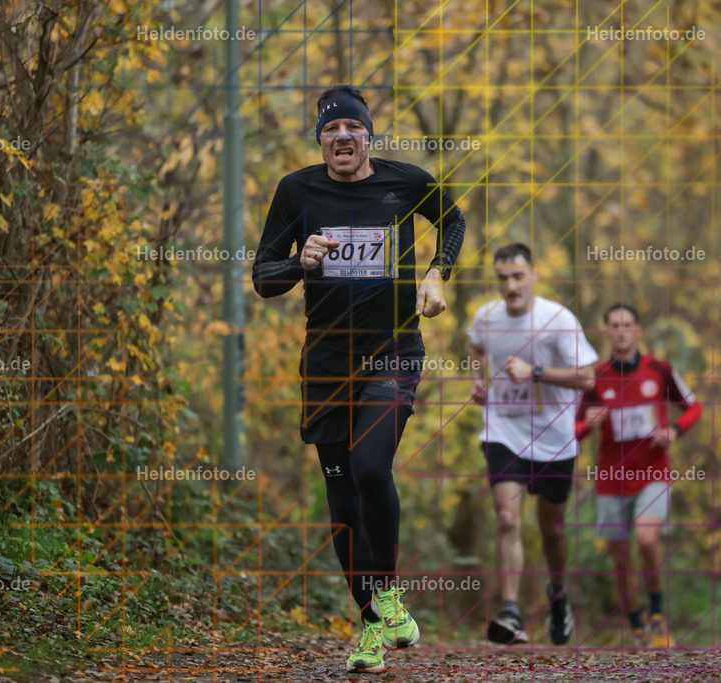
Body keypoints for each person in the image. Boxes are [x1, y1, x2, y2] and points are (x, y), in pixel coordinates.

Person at [252, 85, 465, 673]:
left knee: (371, 467)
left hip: (392, 353)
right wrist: (301, 261)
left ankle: (389, 593)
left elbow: (453, 220)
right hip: (325, 365)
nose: (342, 137)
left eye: (353, 127)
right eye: (330, 129)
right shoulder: (297, 191)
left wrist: (436, 275)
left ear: (369, 135)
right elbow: (263, 277)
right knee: (342, 497)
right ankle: (371, 624)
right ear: (320, 141)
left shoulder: (406, 182)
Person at [466, 243, 598, 646]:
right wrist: (477, 379)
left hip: (555, 438)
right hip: (503, 430)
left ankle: (558, 594)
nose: (510, 285)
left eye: (518, 276)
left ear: (533, 275)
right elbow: (475, 344)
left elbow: (587, 377)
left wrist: (534, 372)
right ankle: (510, 612)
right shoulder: (486, 316)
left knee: (552, 529)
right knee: (507, 519)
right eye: (503, 278)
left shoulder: (557, 319)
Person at [575, 303, 701, 649]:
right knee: (621, 559)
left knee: (646, 539)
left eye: (627, 325)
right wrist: (590, 423)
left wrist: (673, 431)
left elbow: (693, 407)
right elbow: (571, 431)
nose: (620, 331)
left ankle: (658, 616)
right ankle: (636, 625)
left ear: (638, 331)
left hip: (653, 475)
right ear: (605, 332)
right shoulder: (595, 378)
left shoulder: (659, 370)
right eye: (613, 325)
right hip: (610, 481)